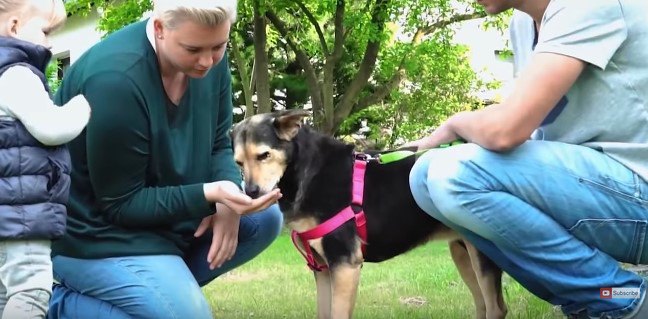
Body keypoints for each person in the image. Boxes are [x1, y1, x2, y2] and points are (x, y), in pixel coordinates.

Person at [407, 0, 648, 318]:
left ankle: (626, 304)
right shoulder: (523, 24)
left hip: (637, 190)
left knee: (454, 174)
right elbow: (531, 129)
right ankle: (595, 300)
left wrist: (453, 124)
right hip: (599, 189)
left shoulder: (588, 4)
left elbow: (507, 130)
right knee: (423, 176)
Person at [46, 0, 284, 318]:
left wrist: (228, 192)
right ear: (159, 28)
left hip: (164, 222)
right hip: (93, 236)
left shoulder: (211, 59)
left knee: (264, 220)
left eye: (218, 46)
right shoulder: (117, 80)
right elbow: (120, 204)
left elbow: (219, 145)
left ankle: (158, 293)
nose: (207, 62)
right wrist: (211, 195)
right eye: (193, 49)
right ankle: (53, 304)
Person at [0, 0, 91, 318]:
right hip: (21, 214)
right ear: (14, 28)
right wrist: (81, 107)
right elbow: (51, 128)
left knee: (4, 294)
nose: (49, 42)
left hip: (6, 214)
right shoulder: (17, 76)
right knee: (31, 292)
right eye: (45, 30)